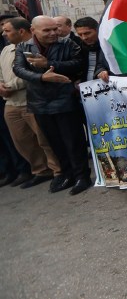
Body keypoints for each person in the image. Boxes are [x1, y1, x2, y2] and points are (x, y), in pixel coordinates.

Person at [13, 16, 90, 195]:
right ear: (33, 31)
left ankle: (82, 176)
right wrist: (41, 77)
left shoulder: (68, 44)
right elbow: (18, 69)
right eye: (47, 30)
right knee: (54, 142)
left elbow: (79, 63)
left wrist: (49, 64)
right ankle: (67, 175)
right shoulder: (23, 47)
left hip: (65, 99)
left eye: (55, 29)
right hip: (39, 102)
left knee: (74, 141)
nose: (53, 33)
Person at [0, 17, 60, 189]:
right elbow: (1, 72)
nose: (4, 34)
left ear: (20, 31)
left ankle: (58, 170)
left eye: (7, 30)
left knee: (44, 139)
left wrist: (10, 86)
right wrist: (1, 85)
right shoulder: (6, 50)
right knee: (22, 140)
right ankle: (40, 170)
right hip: (11, 103)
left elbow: (31, 74)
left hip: (31, 100)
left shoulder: (32, 48)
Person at [73, 16, 109, 82]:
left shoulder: (108, 47)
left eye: (87, 33)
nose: (84, 38)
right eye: (80, 35)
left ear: (97, 30)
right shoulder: (78, 49)